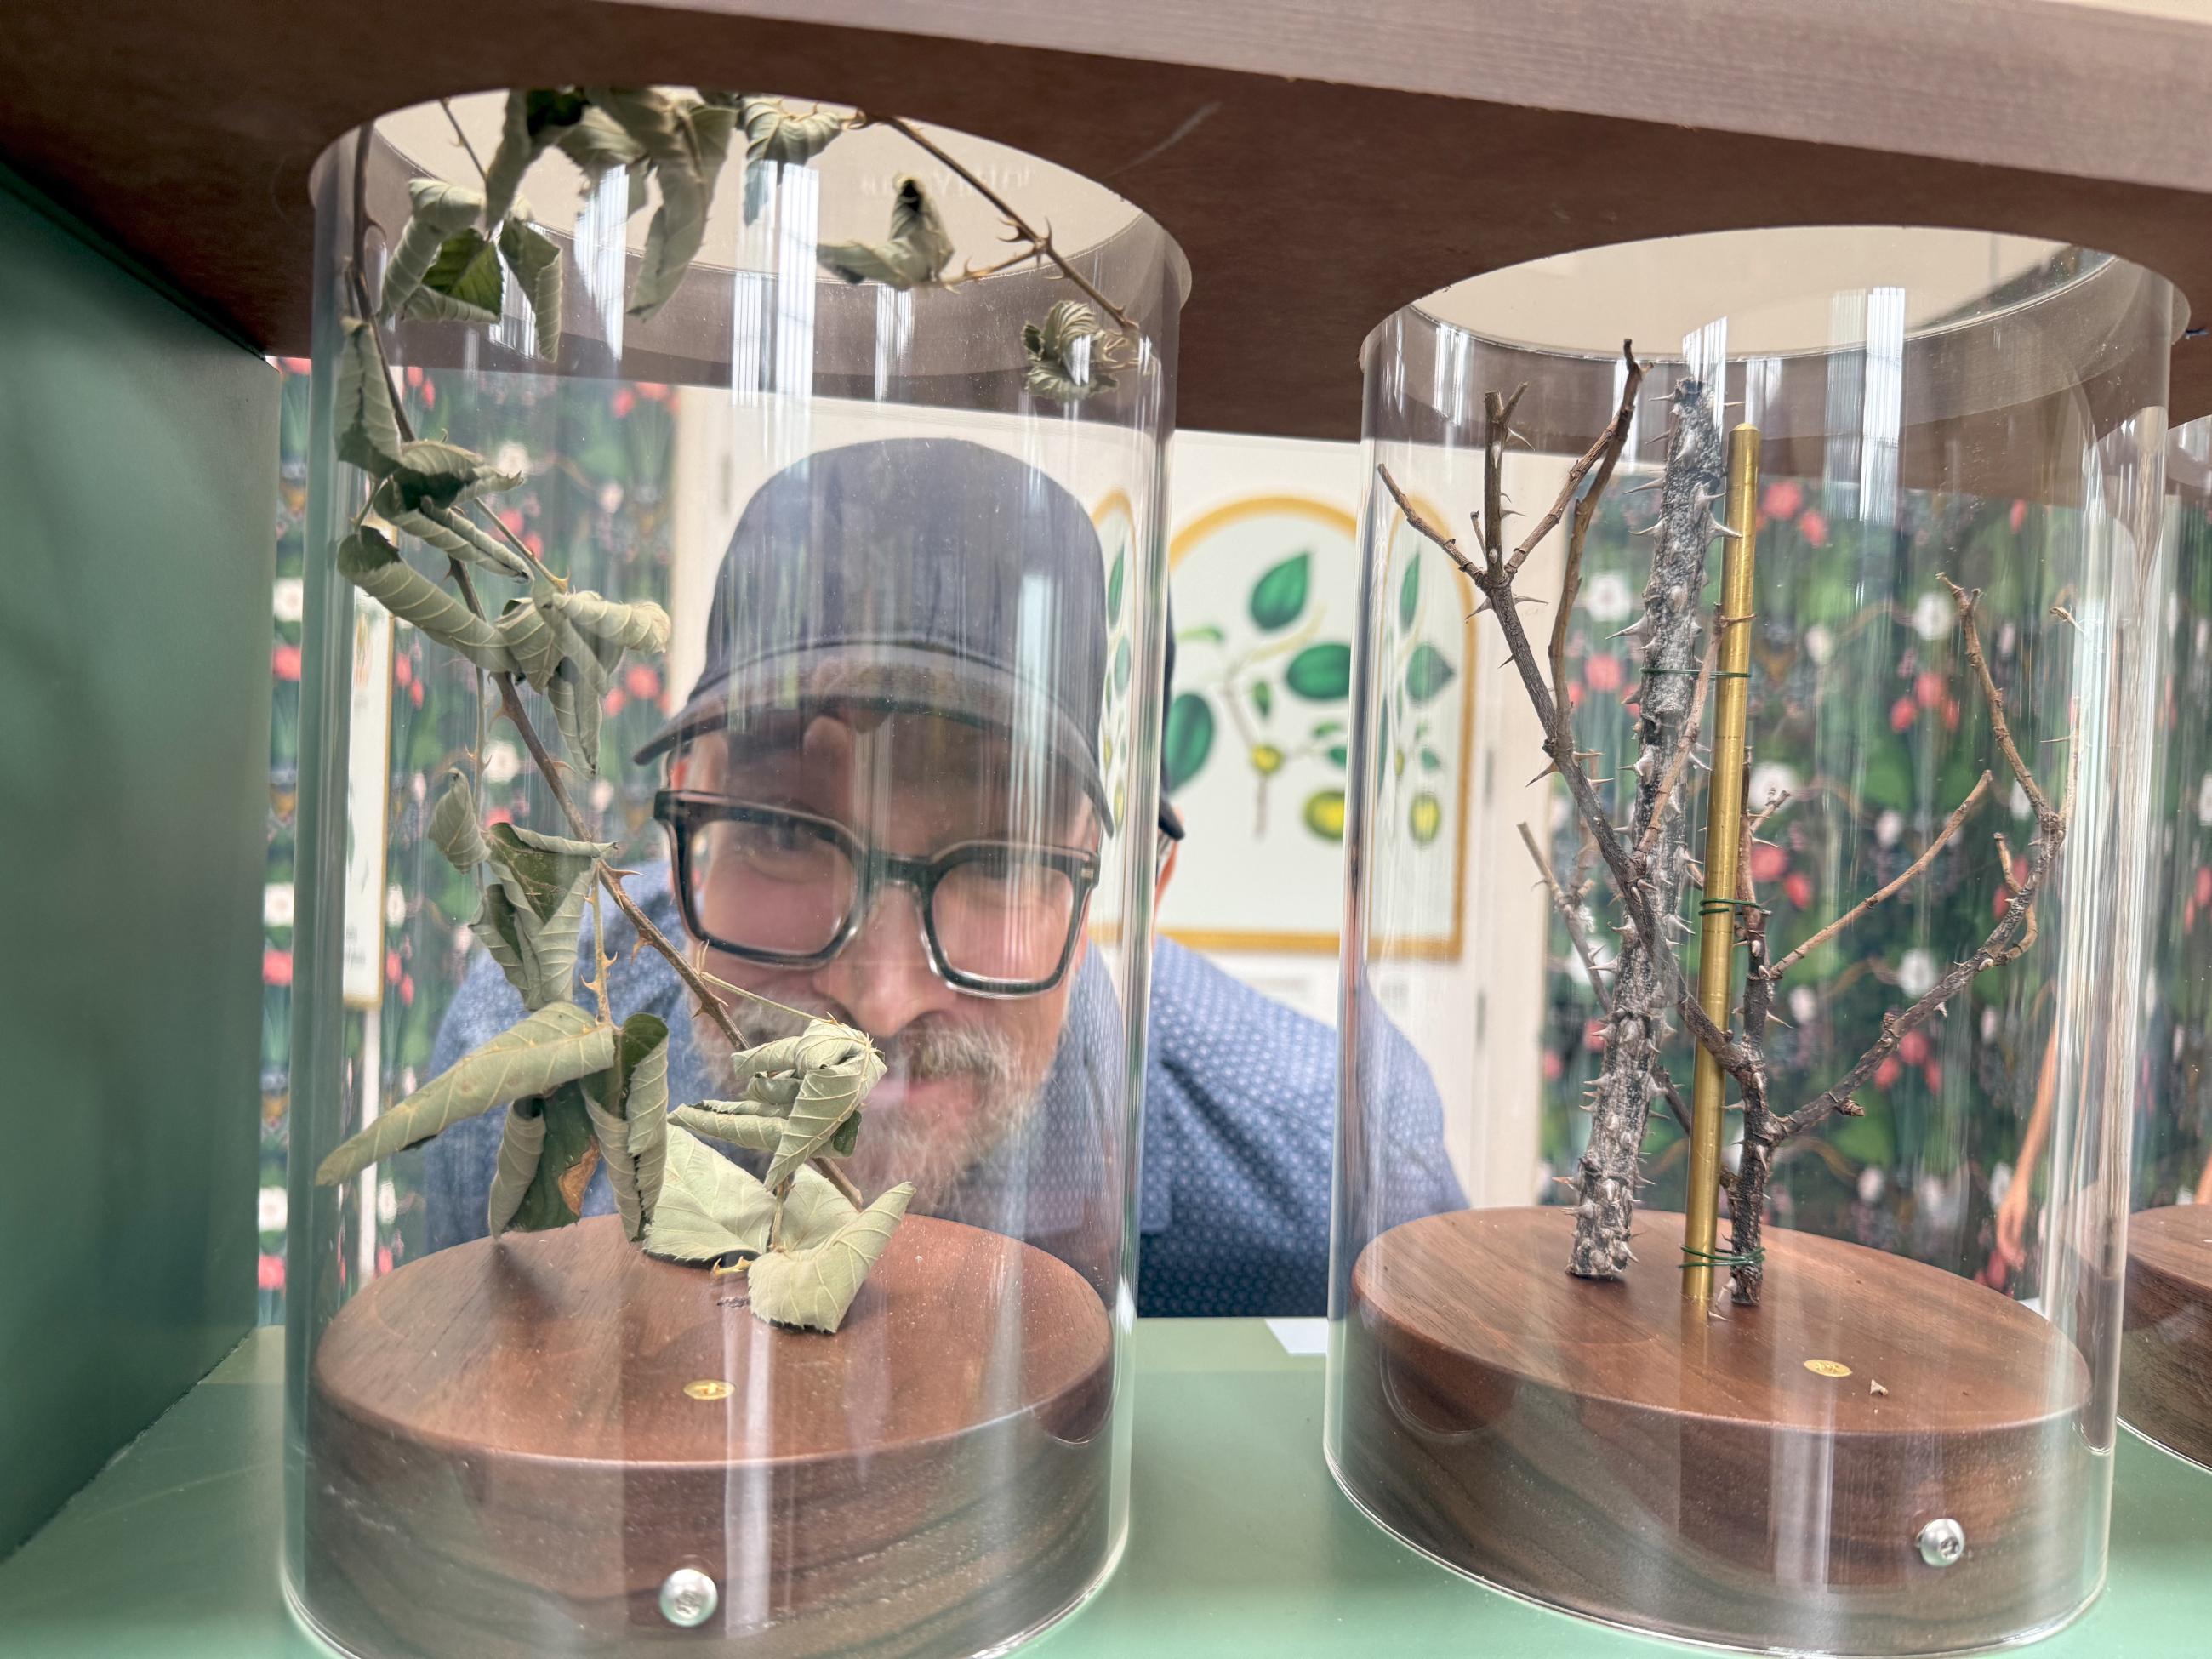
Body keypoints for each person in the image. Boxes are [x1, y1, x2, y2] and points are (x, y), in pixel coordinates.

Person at [425, 437, 1462, 1315]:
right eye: (786, 834)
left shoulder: (1324, 1177)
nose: (874, 1001)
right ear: (681, 814)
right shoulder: (530, 1082)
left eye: (1000, 862)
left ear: (1124, 890)